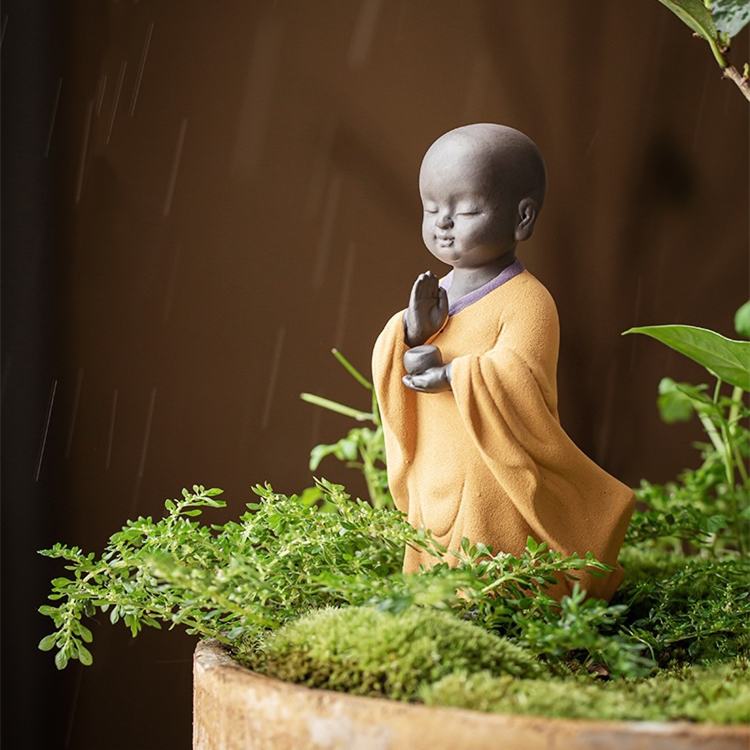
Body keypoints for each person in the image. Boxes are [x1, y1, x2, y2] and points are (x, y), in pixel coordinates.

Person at [372, 123, 634, 601]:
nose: (443, 222)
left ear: (523, 218)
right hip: (438, 461)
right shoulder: (437, 294)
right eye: (431, 208)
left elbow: (521, 375)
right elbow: (397, 358)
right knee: (433, 551)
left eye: (465, 209)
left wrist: (455, 374)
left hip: (491, 468)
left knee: (490, 565)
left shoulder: (529, 302)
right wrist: (410, 333)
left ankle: (498, 615)